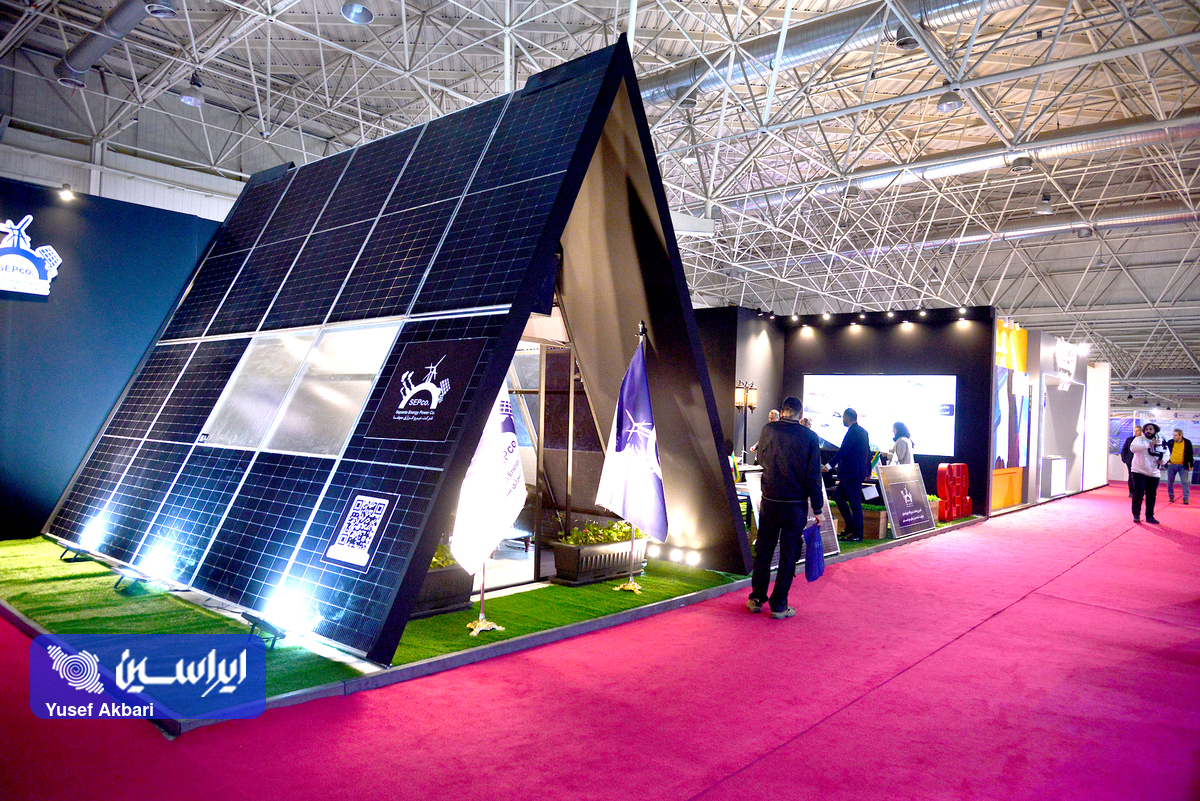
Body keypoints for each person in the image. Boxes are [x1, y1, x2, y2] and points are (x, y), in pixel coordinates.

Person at [746, 396, 823, 620]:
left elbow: (761, 460)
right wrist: (818, 509)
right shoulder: (810, 437)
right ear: (801, 414)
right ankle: (779, 605)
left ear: (782, 411)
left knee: (764, 550)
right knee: (789, 554)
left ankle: (756, 598)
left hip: (770, 500)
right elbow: (813, 476)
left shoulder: (768, 430)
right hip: (795, 505)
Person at [827, 407, 871, 541]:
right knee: (838, 496)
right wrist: (868, 470)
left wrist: (829, 466)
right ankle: (850, 526)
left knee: (854, 503)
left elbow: (843, 451)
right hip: (855, 473)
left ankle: (857, 534)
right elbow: (867, 452)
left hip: (851, 473)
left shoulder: (853, 432)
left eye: (843, 417)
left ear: (847, 417)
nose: (843, 420)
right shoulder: (863, 431)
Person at [1129, 422, 1164, 524]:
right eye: (1146, 429)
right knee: (1138, 494)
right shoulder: (1139, 439)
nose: (1148, 431)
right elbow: (1133, 449)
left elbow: (1166, 453)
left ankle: (1150, 516)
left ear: (1155, 431)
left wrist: (1163, 461)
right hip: (1139, 471)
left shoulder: (1161, 441)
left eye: (1150, 429)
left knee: (1151, 496)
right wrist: (1149, 445)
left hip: (1154, 472)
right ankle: (1136, 515)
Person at [1165, 428, 1193, 505]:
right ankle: (1171, 496)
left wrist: (1191, 465)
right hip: (1172, 464)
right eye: (1173, 435)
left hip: (1183, 465)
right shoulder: (1170, 442)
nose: (1174, 437)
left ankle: (1185, 498)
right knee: (1170, 482)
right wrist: (1167, 462)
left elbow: (1190, 454)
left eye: (1176, 435)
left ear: (1181, 436)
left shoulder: (1187, 442)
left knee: (1185, 482)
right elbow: (1165, 452)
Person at [1120, 425, 1142, 497]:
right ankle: (1132, 492)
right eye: (1134, 431)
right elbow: (1124, 450)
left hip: (1141, 462)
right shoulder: (1129, 440)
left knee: (1141, 478)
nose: (1135, 432)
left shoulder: (1144, 440)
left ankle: (1140, 492)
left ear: (1141, 431)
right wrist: (1125, 460)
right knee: (1131, 476)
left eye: (1137, 431)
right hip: (1131, 461)